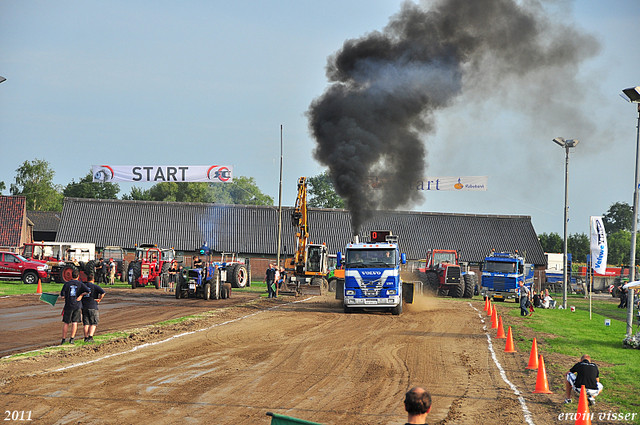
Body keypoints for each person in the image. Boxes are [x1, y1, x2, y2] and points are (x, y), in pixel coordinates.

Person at [60, 269, 90, 345]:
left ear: (71, 276)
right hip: (77, 305)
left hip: (68, 305)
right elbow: (88, 291)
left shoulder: (66, 284)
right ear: (78, 276)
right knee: (74, 322)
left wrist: (66, 296)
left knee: (66, 323)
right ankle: (72, 339)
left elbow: (62, 296)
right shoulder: (80, 284)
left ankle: (63, 339)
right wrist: (81, 295)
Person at [82, 273, 105, 343]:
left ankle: (85, 337)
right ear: (93, 280)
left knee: (86, 323)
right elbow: (103, 292)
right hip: (92, 306)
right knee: (94, 322)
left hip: (84, 306)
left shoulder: (83, 286)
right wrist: (99, 299)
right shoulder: (95, 286)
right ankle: (90, 337)